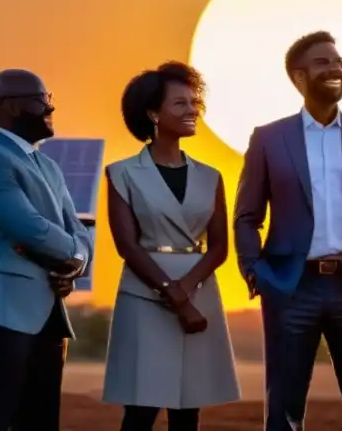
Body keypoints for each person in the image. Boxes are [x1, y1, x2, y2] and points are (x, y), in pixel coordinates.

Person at [234, 31, 342, 431]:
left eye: (339, 62)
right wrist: (255, 270)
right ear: (298, 77)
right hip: (292, 287)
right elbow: (246, 215)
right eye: (323, 63)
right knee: (285, 409)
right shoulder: (268, 139)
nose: (335, 69)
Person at [102, 61, 240, 431]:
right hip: (145, 296)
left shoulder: (211, 177)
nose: (192, 110)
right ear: (153, 114)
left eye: (194, 102)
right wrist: (174, 295)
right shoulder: (122, 173)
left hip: (199, 293)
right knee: (141, 408)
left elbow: (219, 248)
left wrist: (186, 289)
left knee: (188, 408)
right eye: (180, 104)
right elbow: (127, 245)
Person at [0, 68, 94, 431]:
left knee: (40, 421)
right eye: (41, 99)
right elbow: (31, 229)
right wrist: (76, 254)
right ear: (10, 106)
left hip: (50, 312)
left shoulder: (49, 166)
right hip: (6, 309)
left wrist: (77, 261)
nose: (50, 106)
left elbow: (77, 228)